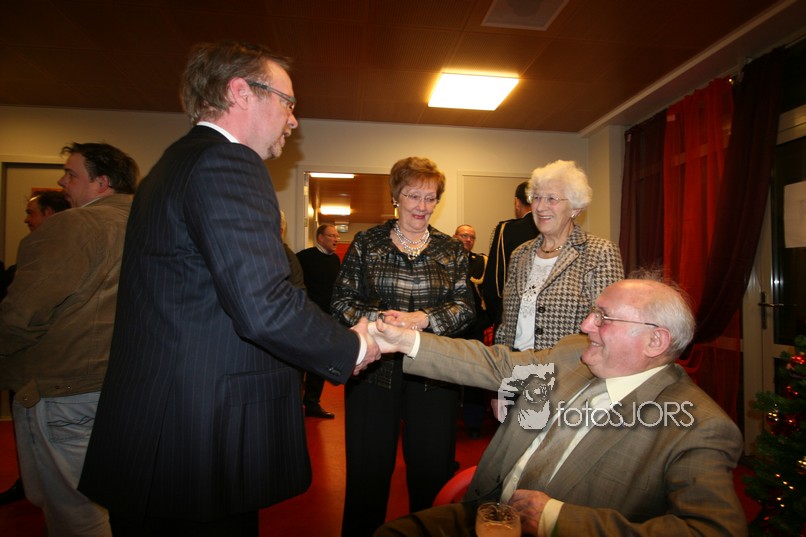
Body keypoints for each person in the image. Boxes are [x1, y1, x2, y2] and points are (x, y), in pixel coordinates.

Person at [78, 41, 380, 536]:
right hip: (197, 435)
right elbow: (264, 305)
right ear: (241, 92)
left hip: (159, 429)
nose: (293, 120)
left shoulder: (173, 164)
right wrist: (354, 346)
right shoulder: (227, 163)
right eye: (288, 102)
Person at [369, 274, 747, 537]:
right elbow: (496, 365)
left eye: (603, 317)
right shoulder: (572, 354)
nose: (586, 325)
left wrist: (557, 518)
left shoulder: (697, 426)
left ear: (655, 341)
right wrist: (403, 341)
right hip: (482, 516)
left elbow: (712, 530)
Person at [332, 156, 475, 536]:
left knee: (432, 471)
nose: (422, 206)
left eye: (430, 198)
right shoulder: (367, 243)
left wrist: (421, 319)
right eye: (413, 196)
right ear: (396, 196)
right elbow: (341, 302)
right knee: (367, 473)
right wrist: (385, 321)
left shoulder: (451, 249)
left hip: (434, 372)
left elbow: (465, 308)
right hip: (373, 370)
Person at [0, 142, 138, 536]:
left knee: (74, 510)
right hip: (124, 387)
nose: (62, 183)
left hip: (65, 387)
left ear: (102, 182)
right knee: (113, 501)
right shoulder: (150, 225)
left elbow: (24, 313)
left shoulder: (73, 225)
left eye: (71, 174)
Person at [495, 160, 624, 352]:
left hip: (567, 366)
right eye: (536, 198)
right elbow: (506, 324)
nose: (540, 207)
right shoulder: (520, 254)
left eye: (552, 199)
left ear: (575, 208)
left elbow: (609, 324)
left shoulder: (600, 252)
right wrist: (500, 359)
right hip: (514, 363)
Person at [0, 189, 71, 505]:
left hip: (49, 371)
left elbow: (25, 316)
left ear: (49, 215)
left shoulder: (61, 259)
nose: (26, 220)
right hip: (26, 368)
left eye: (32, 213)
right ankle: (29, 485)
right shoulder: (27, 260)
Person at [297, 223, 342, 418]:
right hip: (307, 320)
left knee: (320, 362)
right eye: (331, 235)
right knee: (300, 362)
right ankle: (293, 402)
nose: (336, 239)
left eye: (337, 236)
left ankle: (312, 403)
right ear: (320, 238)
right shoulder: (304, 257)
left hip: (327, 321)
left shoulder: (335, 260)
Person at [453, 224, 492, 438]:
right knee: (448, 373)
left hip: (474, 325)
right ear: (455, 236)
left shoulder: (481, 262)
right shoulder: (445, 260)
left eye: (472, 237)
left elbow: (490, 293)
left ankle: (474, 422)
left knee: (474, 374)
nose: (468, 239)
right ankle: (447, 418)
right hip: (450, 326)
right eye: (464, 235)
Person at [483, 181, 538, 327]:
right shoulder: (555, 231)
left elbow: (495, 282)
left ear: (517, 202)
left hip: (510, 315)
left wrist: (497, 316)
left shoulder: (506, 230)